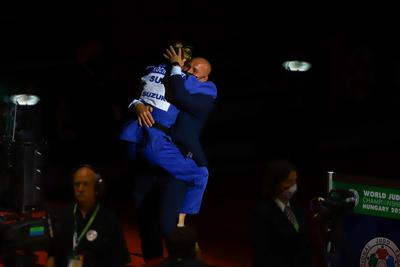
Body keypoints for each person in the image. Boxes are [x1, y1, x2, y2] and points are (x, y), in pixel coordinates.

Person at [120, 44, 217, 261]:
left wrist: (177, 69)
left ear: (204, 77)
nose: (188, 70)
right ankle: (152, 261)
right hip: (146, 151)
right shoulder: (158, 71)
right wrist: (137, 104)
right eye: (187, 65)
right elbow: (137, 91)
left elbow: (182, 96)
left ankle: (187, 249)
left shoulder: (203, 88)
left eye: (193, 69)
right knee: (144, 219)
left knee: (167, 223)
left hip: (172, 159)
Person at [45, 165, 131, 267]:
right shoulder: (62, 216)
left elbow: (120, 261)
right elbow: (52, 256)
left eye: (85, 184)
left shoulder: (109, 220)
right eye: (77, 184)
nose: (80, 189)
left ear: (96, 188)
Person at [249, 160, 312, 267]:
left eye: (295, 181)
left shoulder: (297, 209)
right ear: (275, 183)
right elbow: (262, 254)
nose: (293, 187)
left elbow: (304, 245)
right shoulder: (261, 213)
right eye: (288, 182)